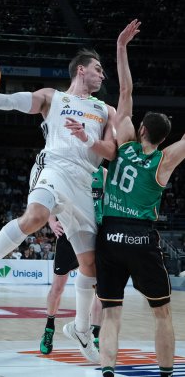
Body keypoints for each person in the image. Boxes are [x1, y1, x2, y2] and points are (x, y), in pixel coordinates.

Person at [0, 48, 117, 363]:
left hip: (84, 186)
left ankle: (80, 329)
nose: (102, 75)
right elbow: (11, 102)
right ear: (81, 71)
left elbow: (111, 152)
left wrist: (91, 141)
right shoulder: (53, 98)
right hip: (55, 169)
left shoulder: (106, 111)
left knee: (90, 267)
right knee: (35, 215)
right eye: (98, 69)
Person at [95, 19, 180, 377]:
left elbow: (126, 92)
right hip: (142, 238)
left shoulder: (126, 142)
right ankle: (164, 373)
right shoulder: (164, 160)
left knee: (112, 312)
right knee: (161, 312)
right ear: (163, 138)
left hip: (110, 234)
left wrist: (120, 47)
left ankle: (108, 371)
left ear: (141, 129)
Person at [40, 165, 106, 355]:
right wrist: (51, 221)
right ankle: (49, 328)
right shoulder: (70, 167)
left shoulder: (103, 173)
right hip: (70, 233)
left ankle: (94, 334)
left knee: (98, 290)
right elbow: (53, 194)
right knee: (57, 287)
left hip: (95, 234)